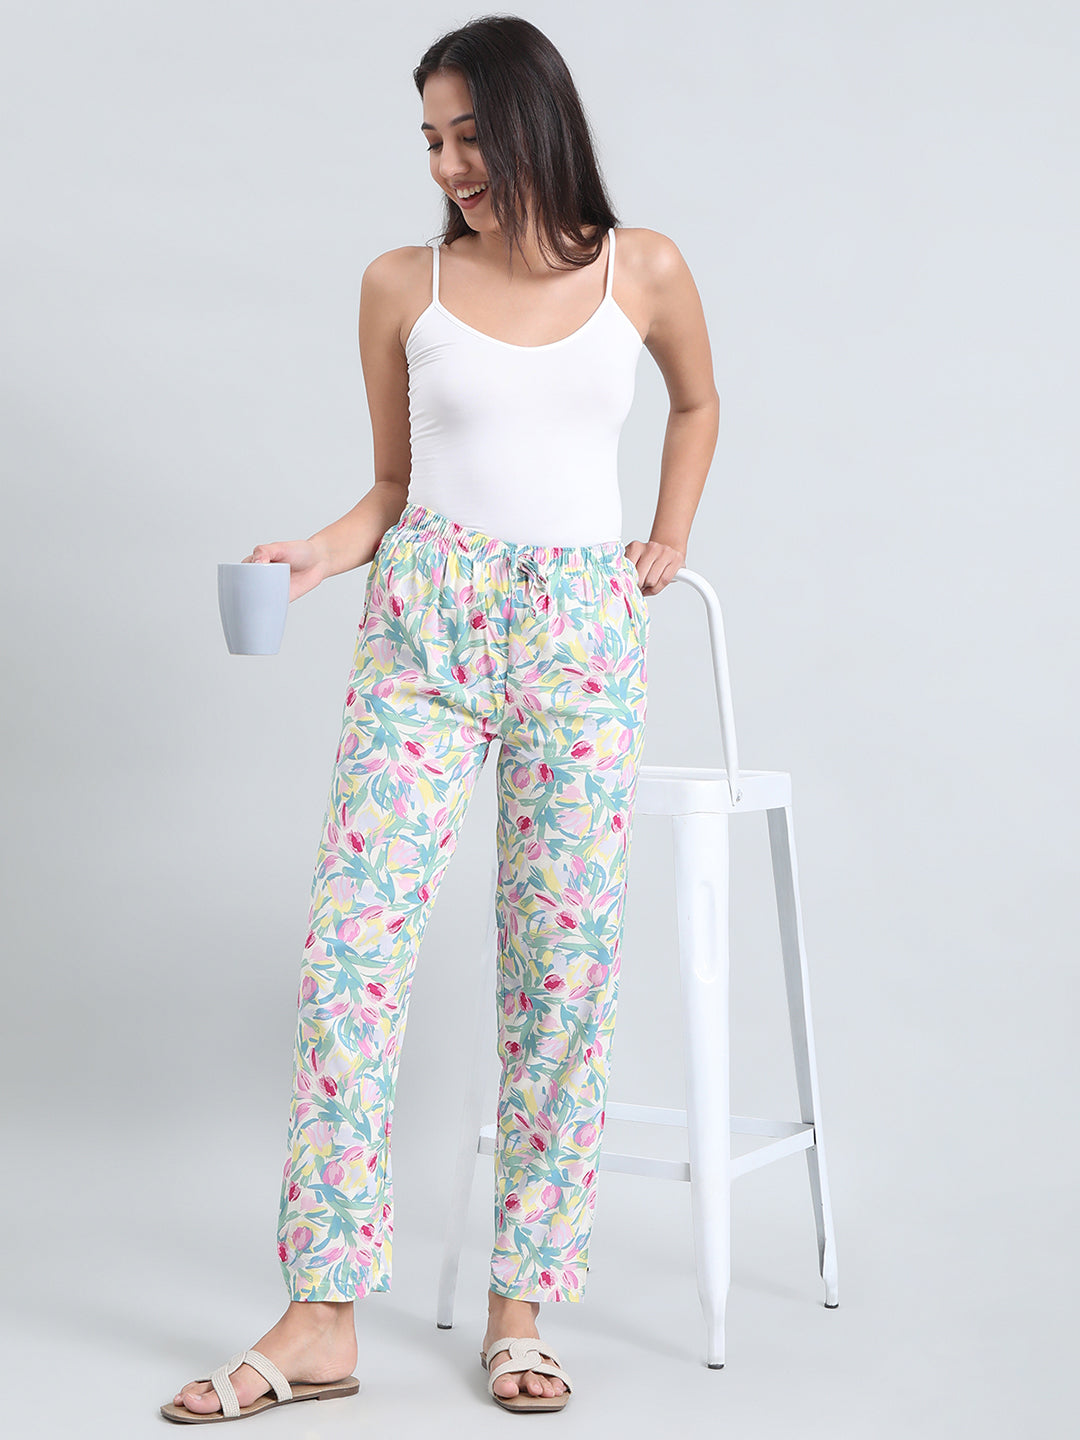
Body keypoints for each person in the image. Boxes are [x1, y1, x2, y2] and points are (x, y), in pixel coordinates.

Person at [164, 13, 719, 1423]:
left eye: (471, 133)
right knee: (351, 957)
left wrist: (667, 534)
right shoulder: (398, 283)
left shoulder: (643, 268)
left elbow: (698, 404)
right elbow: (395, 488)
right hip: (426, 628)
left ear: (538, 122)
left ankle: (522, 1309)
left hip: (581, 639)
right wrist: (318, 551)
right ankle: (320, 1316)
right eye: (431, 139)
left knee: (562, 973)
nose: (450, 164)